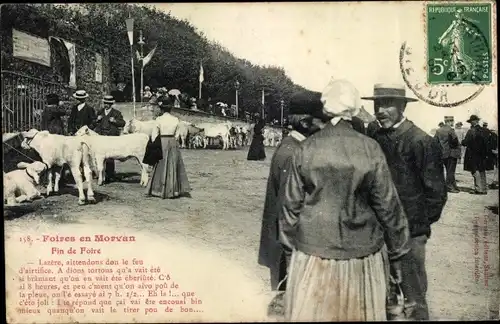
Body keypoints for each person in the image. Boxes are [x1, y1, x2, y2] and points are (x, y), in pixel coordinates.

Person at [281, 79, 410, 321]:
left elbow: (290, 207)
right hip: (362, 256)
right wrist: (398, 255)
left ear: (326, 108)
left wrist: (290, 253)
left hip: (313, 254)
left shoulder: (306, 148)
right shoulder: (370, 148)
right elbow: (389, 207)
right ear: (353, 108)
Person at [364, 83, 447, 320]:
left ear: (402, 106)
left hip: (410, 231)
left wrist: (416, 228)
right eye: (377, 104)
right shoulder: (373, 137)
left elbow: (436, 194)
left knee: (413, 297)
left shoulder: (421, 140)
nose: (380, 110)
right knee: (384, 295)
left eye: (388, 104)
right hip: (378, 231)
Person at [258, 90, 323, 315]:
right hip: (287, 252)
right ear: (305, 122)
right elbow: (288, 211)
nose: (325, 127)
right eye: (321, 121)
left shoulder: (290, 146)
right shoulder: (293, 153)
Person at [143, 96, 191, 199]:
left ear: (161, 108)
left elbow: (154, 135)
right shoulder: (176, 120)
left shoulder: (159, 119)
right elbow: (177, 135)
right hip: (172, 142)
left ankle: (158, 189)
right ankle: (173, 190)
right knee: (172, 164)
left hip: (162, 141)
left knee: (160, 164)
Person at [93, 95, 126, 183]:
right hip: (101, 136)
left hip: (111, 137)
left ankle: (110, 174)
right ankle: (101, 174)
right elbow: (93, 123)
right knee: (100, 156)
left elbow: (123, 123)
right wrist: (97, 120)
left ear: (111, 104)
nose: (106, 105)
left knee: (110, 156)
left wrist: (115, 121)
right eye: (105, 103)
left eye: (108, 103)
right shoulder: (100, 112)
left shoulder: (116, 113)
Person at [461, 115, 492, 194]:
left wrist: (462, 142)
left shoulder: (471, 131)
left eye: (471, 122)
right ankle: (484, 189)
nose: (470, 123)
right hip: (482, 154)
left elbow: (465, 142)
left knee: (475, 170)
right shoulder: (484, 130)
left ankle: (478, 189)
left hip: (473, 154)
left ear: (473, 122)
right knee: (482, 170)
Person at [434, 116, 461, 193]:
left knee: (449, 170)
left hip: (443, 154)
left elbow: (435, 142)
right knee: (451, 171)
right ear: (450, 121)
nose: (453, 123)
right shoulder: (450, 130)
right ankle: (449, 187)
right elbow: (455, 141)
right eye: (452, 121)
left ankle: (454, 186)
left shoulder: (438, 130)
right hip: (451, 154)